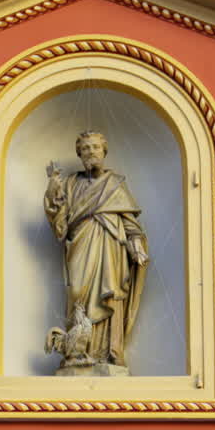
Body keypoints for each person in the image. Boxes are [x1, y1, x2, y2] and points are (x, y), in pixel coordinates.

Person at [43, 131, 148, 371]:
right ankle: (77, 352)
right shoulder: (70, 183)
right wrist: (52, 189)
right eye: (86, 149)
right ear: (79, 154)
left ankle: (108, 354)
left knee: (110, 294)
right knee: (78, 292)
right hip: (80, 242)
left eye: (95, 148)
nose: (91, 152)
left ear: (104, 151)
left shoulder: (115, 184)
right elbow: (58, 217)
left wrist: (137, 246)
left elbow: (130, 224)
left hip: (110, 248)